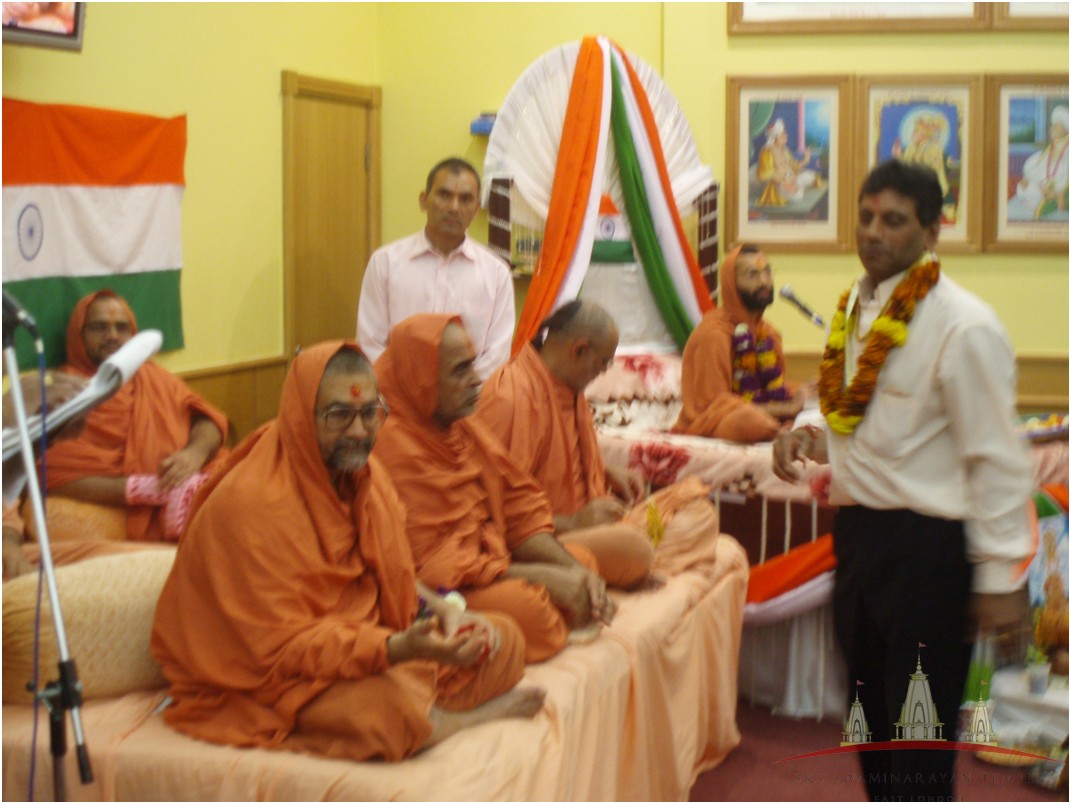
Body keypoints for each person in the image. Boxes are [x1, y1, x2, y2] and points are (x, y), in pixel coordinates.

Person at [772, 160, 1033, 802]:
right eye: (865, 217)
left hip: (927, 555)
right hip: (859, 541)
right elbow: (866, 423)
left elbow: (996, 458)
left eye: (893, 220)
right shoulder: (855, 310)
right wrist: (811, 435)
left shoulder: (964, 325)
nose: (873, 232)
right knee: (869, 726)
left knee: (918, 741)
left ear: (932, 229)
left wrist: (1001, 580)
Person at [151, 341, 543, 762]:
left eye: (370, 413)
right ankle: (449, 719)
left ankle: (427, 712)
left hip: (365, 646)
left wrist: (442, 610)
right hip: (268, 679)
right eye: (339, 415)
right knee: (387, 711)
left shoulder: (365, 477)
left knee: (502, 638)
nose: (358, 431)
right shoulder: (252, 503)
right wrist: (394, 648)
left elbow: (392, 575)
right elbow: (280, 647)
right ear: (302, 414)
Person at [373, 313, 616, 663]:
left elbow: (518, 508)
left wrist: (570, 570)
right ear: (421, 379)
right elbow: (435, 569)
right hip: (446, 590)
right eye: (460, 371)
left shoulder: (461, 425)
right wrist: (542, 575)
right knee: (535, 613)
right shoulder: (392, 445)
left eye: (472, 365)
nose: (476, 380)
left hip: (490, 562)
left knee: (584, 564)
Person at [478, 300, 721, 587]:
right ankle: (628, 562)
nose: (604, 371)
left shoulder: (570, 387)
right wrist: (573, 522)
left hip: (594, 525)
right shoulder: (511, 397)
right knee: (633, 548)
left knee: (696, 509)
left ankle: (634, 558)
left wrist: (604, 472)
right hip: (547, 540)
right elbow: (493, 511)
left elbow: (559, 463)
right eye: (604, 362)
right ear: (579, 350)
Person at [43, 290, 228, 542]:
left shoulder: (154, 377)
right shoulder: (64, 391)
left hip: (190, 479)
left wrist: (194, 454)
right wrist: (147, 489)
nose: (112, 336)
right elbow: (49, 470)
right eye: (99, 327)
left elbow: (207, 419)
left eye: (121, 328)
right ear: (79, 335)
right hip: (143, 494)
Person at [357, 157, 515, 380]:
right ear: (423, 200)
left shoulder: (496, 274)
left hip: (469, 399)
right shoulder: (385, 263)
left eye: (465, 199)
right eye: (444, 195)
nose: (454, 207)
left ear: (476, 208)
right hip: (396, 396)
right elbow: (370, 344)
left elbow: (496, 356)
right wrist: (406, 390)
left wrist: (456, 391)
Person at [673, 244, 807, 443]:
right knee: (748, 420)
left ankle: (776, 424)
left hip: (753, 407)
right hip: (715, 419)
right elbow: (715, 405)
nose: (764, 282)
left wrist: (797, 395)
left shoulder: (767, 333)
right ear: (731, 285)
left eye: (767, 272)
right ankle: (774, 425)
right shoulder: (713, 334)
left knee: (809, 395)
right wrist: (786, 409)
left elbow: (772, 389)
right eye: (752, 275)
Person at [1011, 105, 1069, 221]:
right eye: (1053, 125)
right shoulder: (1043, 155)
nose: (1053, 128)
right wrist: (1026, 184)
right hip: (1036, 197)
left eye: (1058, 125)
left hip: (1056, 204)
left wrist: (1056, 195)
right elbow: (1031, 177)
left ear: (1066, 130)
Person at [755, 118, 820, 207]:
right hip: (778, 184)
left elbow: (794, 166)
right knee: (797, 197)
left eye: (785, 134)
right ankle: (795, 188)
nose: (786, 136)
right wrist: (783, 182)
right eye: (782, 135)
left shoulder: (785, 150)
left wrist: (805, 160)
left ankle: (797, 185)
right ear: (774, 138)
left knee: (811, 176)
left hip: (792, 179)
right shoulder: (767, 152)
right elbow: (764, 174)